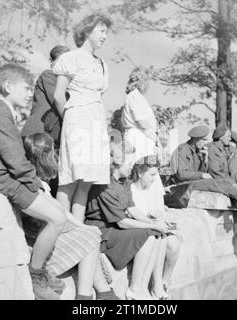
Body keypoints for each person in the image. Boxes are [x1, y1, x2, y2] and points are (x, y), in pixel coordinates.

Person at [0, 64, 67, 300]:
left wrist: (35, 185)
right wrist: (36, 184)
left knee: (56, 210)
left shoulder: (1, 113)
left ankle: (41, 269)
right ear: (7, 87)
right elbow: (15, 160)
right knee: (57, 218)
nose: (29, 94)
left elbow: (15, 161)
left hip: (2, 178)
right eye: (25, 88)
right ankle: (36, 275)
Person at [22, 132, 120, 300]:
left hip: (45, 236)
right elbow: (51, 218)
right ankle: (89, 295)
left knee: (89, 233)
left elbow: (60, 209)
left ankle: (101, 293)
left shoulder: (38, 182)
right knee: (89, 238)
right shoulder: (33, 184)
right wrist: (81, 229)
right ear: (48, 155)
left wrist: (82, 226)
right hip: (39, 246)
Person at [85, 144, 170, 300]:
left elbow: (132, 209)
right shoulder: (105, 185)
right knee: (150, 235)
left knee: (159, 234)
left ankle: (143, 288)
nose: (133, 167)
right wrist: (151, 225)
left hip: (114, 226)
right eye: (129, 164)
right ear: (117, 164)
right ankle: (135, 289)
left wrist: (158, 224)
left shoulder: (124, 182)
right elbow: (122, 222)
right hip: (101, 231)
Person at [53, 13, 112, 224]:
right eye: (102, 31)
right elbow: (58, 96)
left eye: (107, 32)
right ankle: (59, 228)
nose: (105, 36)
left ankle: (78, 229)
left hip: (96, 122)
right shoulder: (70, 58)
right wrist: (71, 120)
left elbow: (99, 96)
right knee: (70, 179)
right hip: (77, 119)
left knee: (86, 181)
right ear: (87, 31)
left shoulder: (103, 64)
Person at [130, 155, 180, 299]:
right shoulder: (131, 190)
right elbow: (133, 214)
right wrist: (153, 220)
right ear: (140, 173)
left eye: (156, 175)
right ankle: (156, 286)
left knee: (174, 244)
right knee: (162, 238)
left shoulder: (152, 190)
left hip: (154, 226)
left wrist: (161, 216)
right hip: (143, 228)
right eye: (152, 175)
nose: (154, 179)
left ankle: (163, 282)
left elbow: (160, 212)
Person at [122, 66, 165, 208]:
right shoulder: (134, 96)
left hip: (144, 137)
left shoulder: (139, 97)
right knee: (139, 171)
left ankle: (150, 205)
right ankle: (138, 205)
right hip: (138, 137)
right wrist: (156, 139)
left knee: (149, 172)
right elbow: (141, 122)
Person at [169, 125, 237, 202]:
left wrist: (205, 160)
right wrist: (201, 175)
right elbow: (181, 175)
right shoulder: (183, 149)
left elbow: (201, 172)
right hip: (181, 186)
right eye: (203, 140)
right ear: (196, 139)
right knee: (214, 183)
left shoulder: (197, 151)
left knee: (219, 181)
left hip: (189, 183)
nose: (205, 143)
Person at [22, 45, 70, 150]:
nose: (64, 65)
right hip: (37, 133)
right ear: (51, 61)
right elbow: (59, 98)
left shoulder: (62, 80)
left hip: (46, 134)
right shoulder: (48, 75)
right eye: (60, 61)